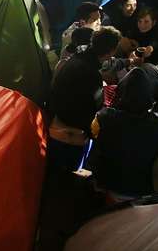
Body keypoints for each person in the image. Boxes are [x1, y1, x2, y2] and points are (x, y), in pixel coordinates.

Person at [49, 27, 121, 172]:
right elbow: (94, 109)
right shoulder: (91, 74)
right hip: (72, 131)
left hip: (56, 117)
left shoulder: (76, 58)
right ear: (111, 52)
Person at [90, 68, 158, 198]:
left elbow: (94, 141)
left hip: (111, 185)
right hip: (146, 190)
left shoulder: (103, 118)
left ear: (121, 91)